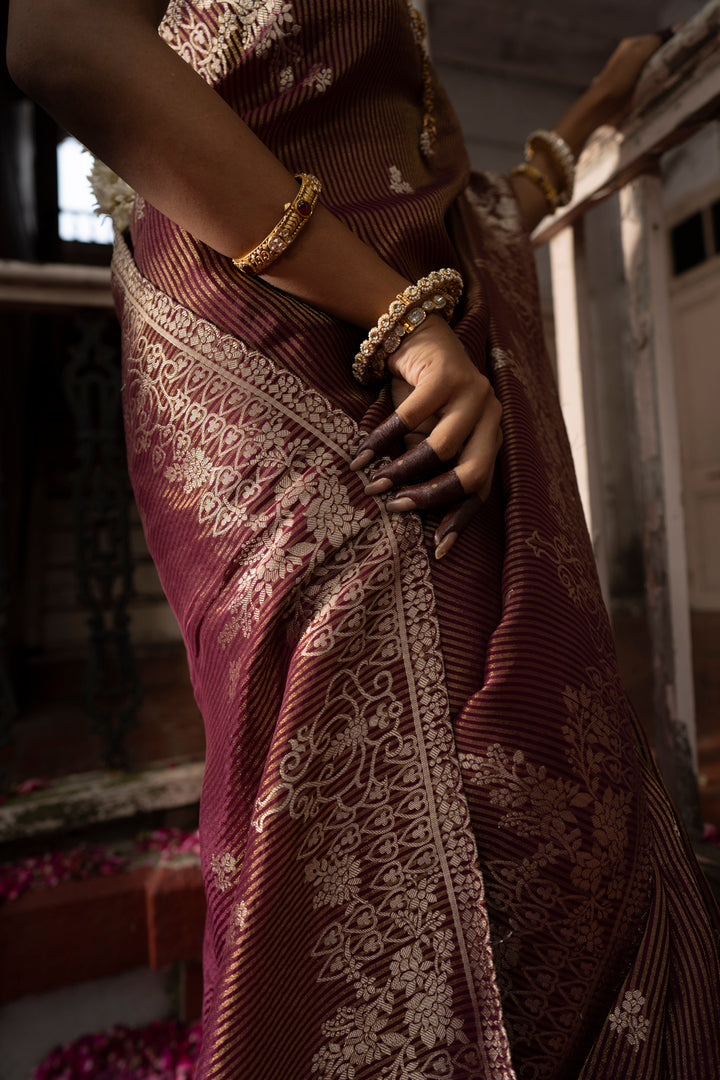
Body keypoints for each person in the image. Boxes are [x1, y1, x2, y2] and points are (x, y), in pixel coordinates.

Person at [7, 3, 720, 1077]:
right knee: (356, 802)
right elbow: (55, 34)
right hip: (287, 359)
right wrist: (405, 320)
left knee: (532, 789)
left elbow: (432, 185)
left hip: (412, 345)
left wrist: (582, 126)